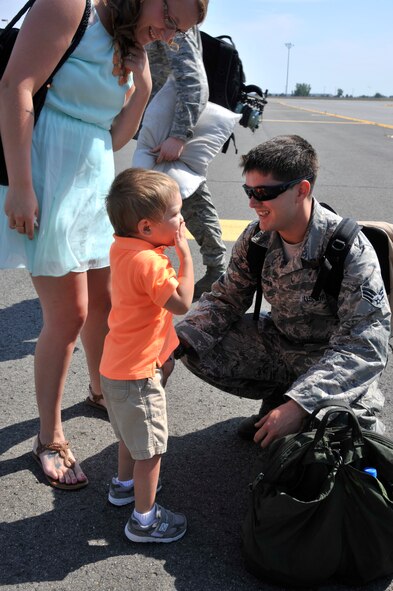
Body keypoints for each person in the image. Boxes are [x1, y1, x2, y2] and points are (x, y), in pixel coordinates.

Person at [0, 0, 208, 490]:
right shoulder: (73, 6)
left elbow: (114, 136)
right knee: (68, 314)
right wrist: (22, 185)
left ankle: (100, 390)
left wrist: (143, 86)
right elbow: (16, 86)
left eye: (179, 32)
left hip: (94, 179)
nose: (169, 35)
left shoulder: (129, 43)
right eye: (171, 20)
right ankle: (49, 437)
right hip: (48, 172)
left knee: (105, 304)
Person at [175, 135, 391, 447]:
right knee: (197, 345)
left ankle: (296, 415)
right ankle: (280, 404)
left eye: (263, 192)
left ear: (301, 190)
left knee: (345, 433)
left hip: (328, 359)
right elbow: (226, 299)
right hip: (280, 345)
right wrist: (175, 343)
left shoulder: (349, 249)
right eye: (248, 191)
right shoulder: (256, 238)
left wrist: (302, 404)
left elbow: (365, 346)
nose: (252, 202)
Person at [100, 167, 193, 543]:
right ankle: (144, 519)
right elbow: (182, 303)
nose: (181, 218)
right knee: (151, 449)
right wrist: (185, 256)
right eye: (174, 213)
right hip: (138, 375)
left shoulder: (123, 247)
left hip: (116, 366)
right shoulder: (151, 263)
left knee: (130, 436)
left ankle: (124, 486)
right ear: (146, 228)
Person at [142, 26, 227, 299]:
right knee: (178, 197)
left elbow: (193, 82)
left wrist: (179, 135)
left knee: (190, 197)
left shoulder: (171, 23)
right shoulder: (155, 17)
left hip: (172, 128)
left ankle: (218, 271)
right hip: (161, 126)